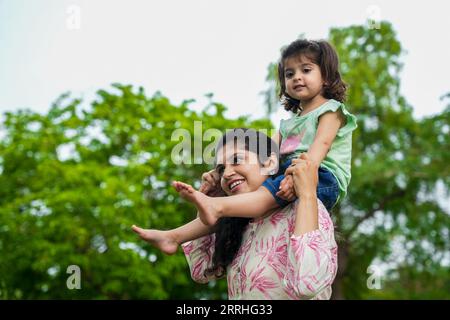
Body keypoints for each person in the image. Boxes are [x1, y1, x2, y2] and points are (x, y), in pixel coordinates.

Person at [133, 129, 338, 299]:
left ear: (268, 163)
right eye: (221, 169)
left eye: (237, 160)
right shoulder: (240, 224)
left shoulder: (304, 210)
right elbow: (200, 270)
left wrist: (308, 194)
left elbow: (308, 285)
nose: (227, 173)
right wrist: (205, 204)